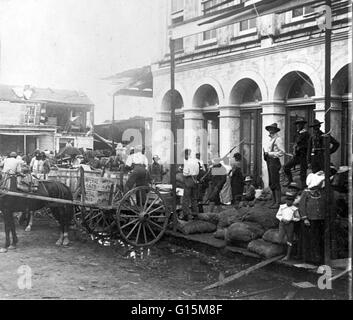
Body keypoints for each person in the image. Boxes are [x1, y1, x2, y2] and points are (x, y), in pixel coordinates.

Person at [298, 171, 334, 264]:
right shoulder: (306, 192)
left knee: (319, 238)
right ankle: (311, 258)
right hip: (310, 220)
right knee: (312, 239)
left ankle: (319, 258)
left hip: (320, 219)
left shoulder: (321, 192)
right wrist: (305, 218)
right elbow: (302, 206)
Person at [283, 117, 310, 189]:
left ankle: (304, 186)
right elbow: (295, 143)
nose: (298, 125)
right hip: (296, 156)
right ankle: (290, 181)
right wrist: (294, 150)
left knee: (303, 172)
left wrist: (300, 148)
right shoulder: (297, 134)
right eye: (297, 124)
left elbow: (308, 145)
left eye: (300, 124)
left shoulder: (306, 134)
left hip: (303, 155)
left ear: (303, 125)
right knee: (286, 167)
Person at [264, 123, 285, 209]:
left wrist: (269, 153)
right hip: (269, 161)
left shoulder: (278, 139)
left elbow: (282, 152)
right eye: (269, 129)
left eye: (271, 129)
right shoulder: (270, 140)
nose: (270, 131)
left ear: (275, 131)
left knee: (275, 181)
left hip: (275, 162)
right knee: (271, 182)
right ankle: (274, 201)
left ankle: (278, 202)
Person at [276, 192, 301, 261]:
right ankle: (281, 252)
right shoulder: (282, 207)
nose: (288, 202)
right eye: (287, 200)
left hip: (290, 224)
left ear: (293, 201)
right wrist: (282, 219)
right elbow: (278, 215)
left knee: (289, 239)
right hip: (282, 223)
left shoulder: (294, 209)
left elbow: (298, 218)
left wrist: (291, 219)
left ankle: (288, 255)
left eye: (290, 201)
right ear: (286, 200)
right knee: (280, 238)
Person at [181, 148, 199, 220]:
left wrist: (182, 170)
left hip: (188, 180)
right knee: (194, 199)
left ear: (186, 154)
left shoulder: (188, 162)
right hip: (195, 180)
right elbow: (197, 172)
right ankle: (195, 215)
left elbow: (185, 173)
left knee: (186, 199)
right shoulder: (196, 161)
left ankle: (186, 215)